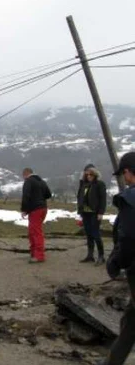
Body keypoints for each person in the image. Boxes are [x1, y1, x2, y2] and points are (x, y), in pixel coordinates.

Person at [101, 152, 135, 365]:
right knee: (131, 320)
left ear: (127, 173)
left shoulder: (131, 199)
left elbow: (129, 237)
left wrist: (116, 263)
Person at [77, 164, 107, 265]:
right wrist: (80, 211)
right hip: (85, 213)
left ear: (95, 175)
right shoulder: (84, 184)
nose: (89, 176)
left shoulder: (100, 184)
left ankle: (101, 256)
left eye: (91, 174)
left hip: (94, 213)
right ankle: (90, 255)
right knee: (89, 234)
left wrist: (101, 213)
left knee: (96, 234)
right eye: (87, 174)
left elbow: (103, 199)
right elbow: (80, 198)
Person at [20, 168, 52, 263]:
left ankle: (39, 256)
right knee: (32, 231)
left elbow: (26, 195)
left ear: (25, 174)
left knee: (36, 232)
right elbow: (48, 195)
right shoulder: (42, 181)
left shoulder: (28, 181)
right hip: (43, 208)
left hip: (35, 209)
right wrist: (40, 198)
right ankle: (33, 252)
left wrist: (24, 209)